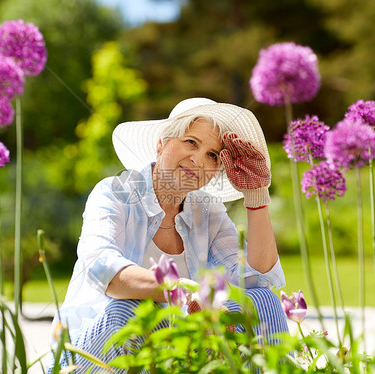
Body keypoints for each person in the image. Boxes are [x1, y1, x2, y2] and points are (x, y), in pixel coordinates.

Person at [48, 98, 288, 371]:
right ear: (161, 143)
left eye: (212, 155)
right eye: (191, 142)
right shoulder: (115, 193)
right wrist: (184, 291)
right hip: (86, 354)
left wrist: (257, 196)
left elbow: (257, 279)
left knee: (262, 302)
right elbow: (103, 268)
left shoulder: (208, 212)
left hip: (173, 351)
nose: (198, 160)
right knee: (131, 311)